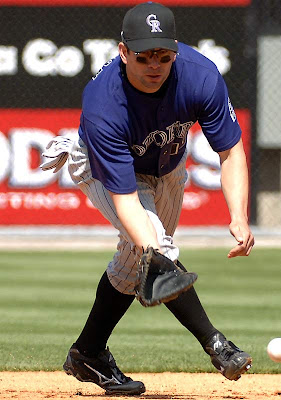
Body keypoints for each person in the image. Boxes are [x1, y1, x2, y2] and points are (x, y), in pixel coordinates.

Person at [61, 2, 255, 396]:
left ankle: (88, 353)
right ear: (123, 52)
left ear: (176, 51)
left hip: (167, 166)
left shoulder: (201, 77)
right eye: (143, 56)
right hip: (104, 169)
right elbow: (126, 197)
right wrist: (155, 252)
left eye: (164, 56)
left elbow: (230, 151)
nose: (154, 65)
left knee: (135, 261)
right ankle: (217, 345)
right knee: (154, 248)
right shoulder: (104, 104)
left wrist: (239, 215)